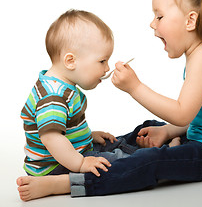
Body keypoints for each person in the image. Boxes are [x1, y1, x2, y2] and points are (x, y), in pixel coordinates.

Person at [17, 0, 202, 201]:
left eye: (159, 17)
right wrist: (169, 132)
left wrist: (135, 87)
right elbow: (200, 114)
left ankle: (69, 182)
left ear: (190, 21)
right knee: (150, 129)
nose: (152, 23)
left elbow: (184, 113)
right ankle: (117, 153)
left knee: (151, 163)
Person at [19, 9, 137, 179]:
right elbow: (52, 138)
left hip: (70, 156)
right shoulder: (53, 97)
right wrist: (81, 163)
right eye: (102, 61)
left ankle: (154, 150)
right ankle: (157, 158)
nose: (107, 68)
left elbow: (65, 129)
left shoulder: (62, 86)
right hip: (53, 167)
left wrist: (88, 136)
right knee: (116, 163)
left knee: (117, 144)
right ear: (71, 61)